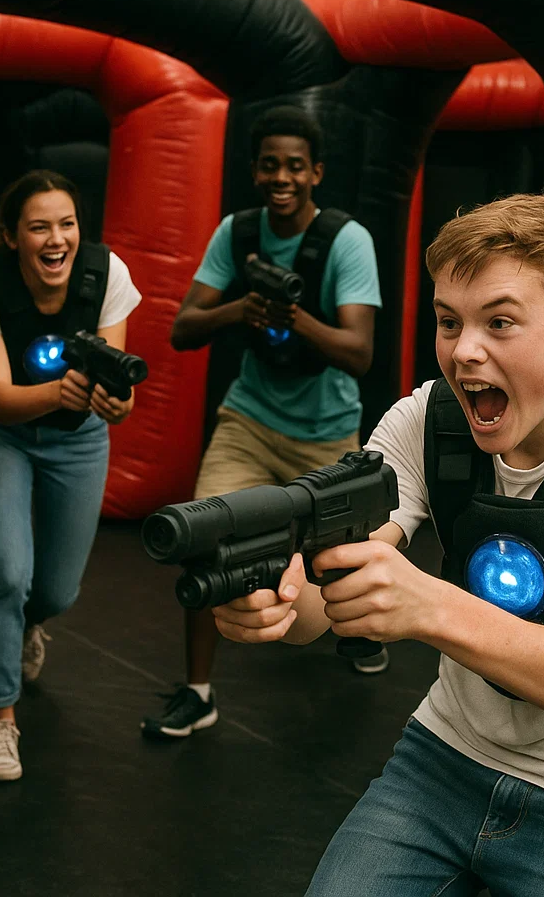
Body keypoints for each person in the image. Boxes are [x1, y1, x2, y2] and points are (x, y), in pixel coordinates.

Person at [213, 195, 544, 896]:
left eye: (499, 322)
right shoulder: (424, 420)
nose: (462, 349)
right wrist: (272, 600)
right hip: (446, 758)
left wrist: (432, 607)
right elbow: (319, 610)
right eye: (449, 321)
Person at [139, 105, 383, 740]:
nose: (282, 177)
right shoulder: (238, 233)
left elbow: (359, 353)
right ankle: (198, 692)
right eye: (271, 165)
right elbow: (183, 327)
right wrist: (241, 311)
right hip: (249, 418)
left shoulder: (347, 241)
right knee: (202, 537)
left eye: (295, 166)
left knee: (343, 562)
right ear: (255, 172)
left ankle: (354, 632)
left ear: (316, 173)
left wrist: (294, 316)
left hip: (327, 429)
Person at [0, 170, 142, 781]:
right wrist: (63, 393)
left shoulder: (106, 274)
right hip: (1, 436)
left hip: (79, 439)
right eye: (39, 227)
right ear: (13, 236)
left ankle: (29, 629)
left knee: (56, 591)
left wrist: (117, 403)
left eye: (66, 224)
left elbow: (117, 384)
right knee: (7, 575)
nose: (55, 239)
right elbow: (0, 397)